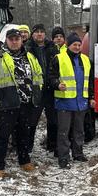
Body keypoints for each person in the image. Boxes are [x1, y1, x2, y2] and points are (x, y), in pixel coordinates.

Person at [0, 28, 44, 178]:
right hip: (7, 103)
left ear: (21, 40)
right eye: (11, 39)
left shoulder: (30, 56)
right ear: (7, 41)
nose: (14, 42)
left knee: (24, 133)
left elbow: (39, 74)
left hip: (26, 102)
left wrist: (37, 92)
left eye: (17, 39)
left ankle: (24, 161)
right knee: (2, 136)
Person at [49, 32, 95, 168]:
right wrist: (57, 84)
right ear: (68, 45)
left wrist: (91, 97)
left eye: (79, 45)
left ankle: (78, 153)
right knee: (63, 132)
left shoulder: (86, 60)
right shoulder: (58, 58)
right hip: (64, 102)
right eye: (74, 44)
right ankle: (63, 158)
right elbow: (51, 77)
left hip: (81, 102)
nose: (77, 47)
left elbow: (90, 81)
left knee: (79, 130)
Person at [25, 23, 59, 154]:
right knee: (32, 119)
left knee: (53, 119)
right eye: (36, 31)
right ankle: (28, 147)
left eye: (42, 31)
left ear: (45, 34)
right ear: (32, 34)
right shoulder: (27, 48)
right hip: (35, 89)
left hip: (51, 89)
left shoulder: (52, 47)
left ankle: (52, 145)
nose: (39, 34)